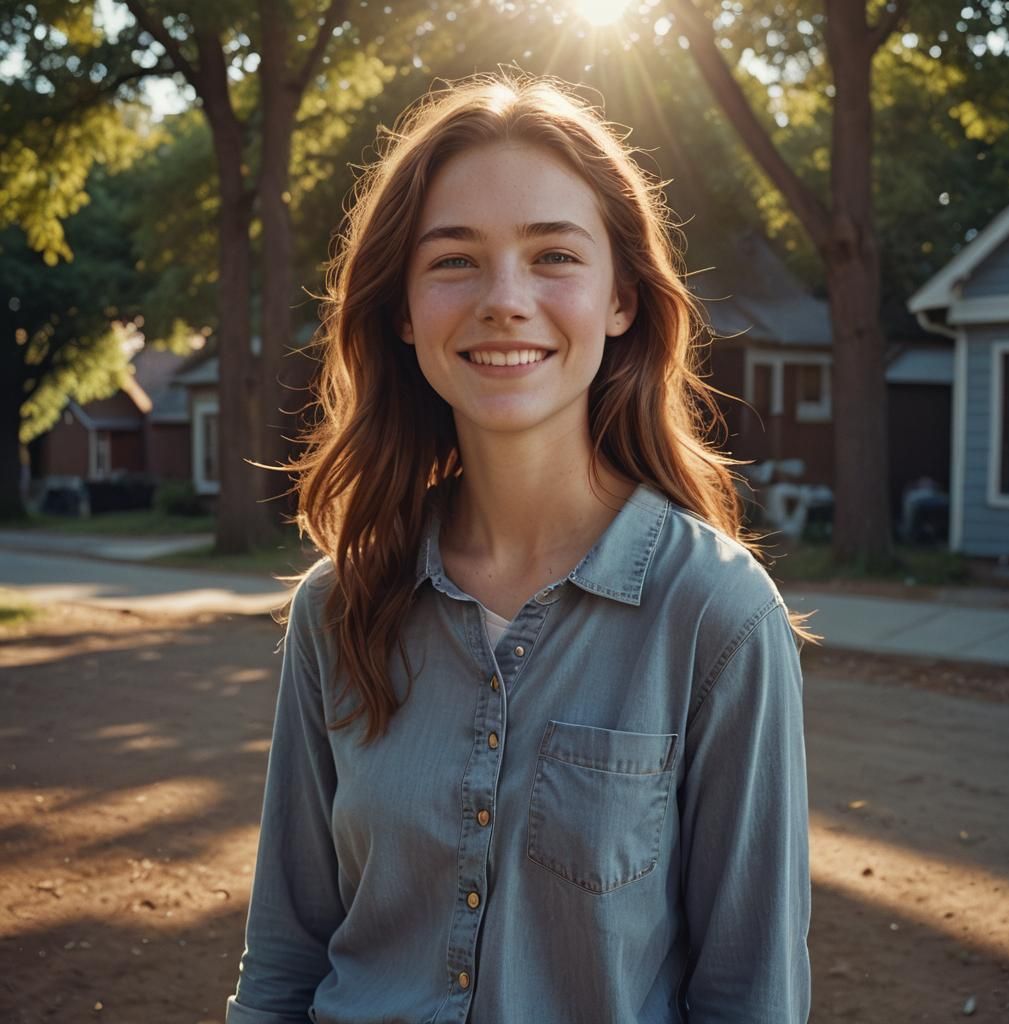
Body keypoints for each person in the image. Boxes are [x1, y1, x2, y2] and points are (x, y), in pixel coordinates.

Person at [225, 69, 812, 1024]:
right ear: (404, 311)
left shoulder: (717, 618)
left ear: (622, 298)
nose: (505, 299)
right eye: (454, 259)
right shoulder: (339, 607)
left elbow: (752, 998)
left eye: (553, 256)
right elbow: (283, 966)